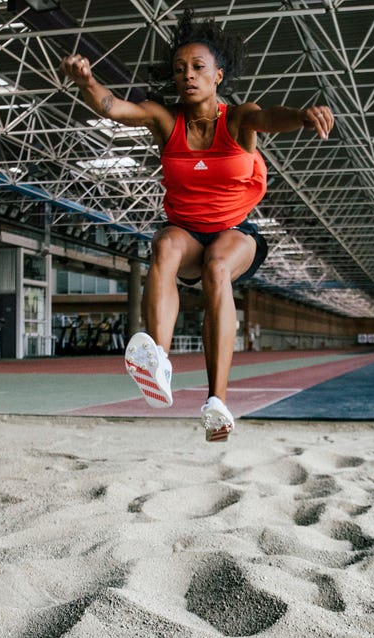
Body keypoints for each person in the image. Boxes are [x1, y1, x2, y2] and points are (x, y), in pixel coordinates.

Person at [60, 9, 334, 442]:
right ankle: (158, 363)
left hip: (235, 233)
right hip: (186, 234)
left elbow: (271, 117)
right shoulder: (165, 120)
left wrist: (302, 116)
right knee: (164, 246)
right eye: (180, 69)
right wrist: (86, 82)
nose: (187, 75)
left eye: (198, 68)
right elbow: (113, 107)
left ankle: (216, 403)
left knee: (217, 269)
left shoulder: (238, 118)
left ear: (218, 75)